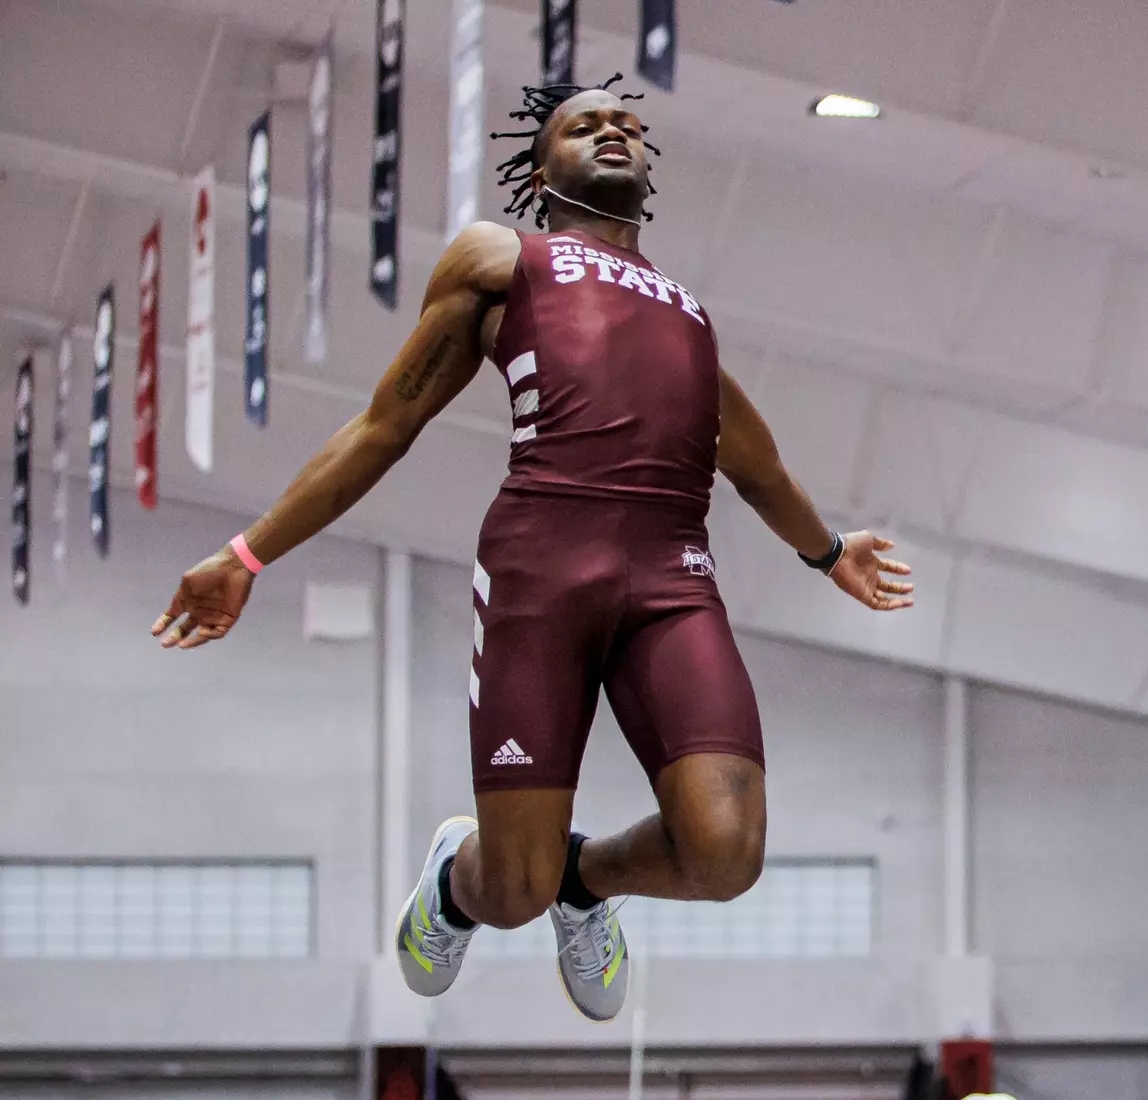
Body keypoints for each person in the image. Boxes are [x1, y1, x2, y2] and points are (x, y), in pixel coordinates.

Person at [149, 74, 915, 1023]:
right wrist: (246, 555)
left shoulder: (686, 310)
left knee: (726, 854)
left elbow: (752, 461)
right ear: (540, 166)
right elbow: (383, 425)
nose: (611, 133)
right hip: (538, 576)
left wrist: (826, 548)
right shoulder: (501, 258)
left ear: (648, 165)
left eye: (627, 125)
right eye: (582, 124)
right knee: (508, 892)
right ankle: (454, 883)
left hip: (673, 584)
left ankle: (587, 882)